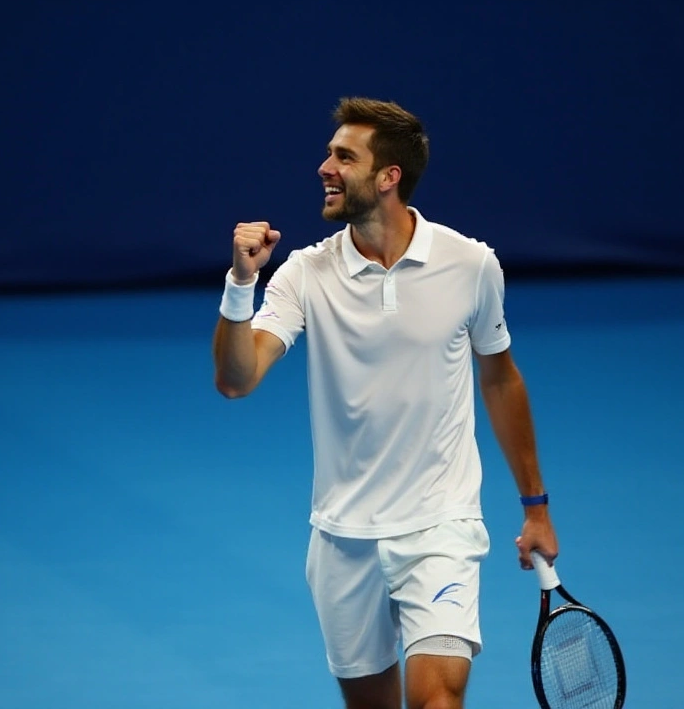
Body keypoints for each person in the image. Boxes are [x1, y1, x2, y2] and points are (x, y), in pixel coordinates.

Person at [212, 97, 559, 709]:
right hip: (343, 537)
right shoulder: (303, 274)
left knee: (438, 700)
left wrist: (535, 506)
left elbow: (501, 379)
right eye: (329, 154)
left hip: (440, 524)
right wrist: (242, 285)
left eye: (344, 157)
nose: (325, 167)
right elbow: (237, 379)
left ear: (388, 176)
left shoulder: (471, 264)